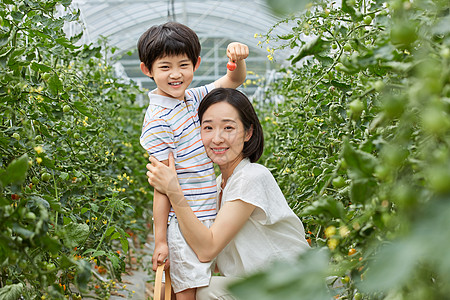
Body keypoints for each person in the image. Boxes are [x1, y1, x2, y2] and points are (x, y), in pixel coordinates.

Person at [146, 88, 310, 299]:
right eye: (208, 127)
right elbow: (202, 257)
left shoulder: (251, 177)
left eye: (228, 128)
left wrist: (173, 190)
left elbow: (207, 249)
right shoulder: (217, 188)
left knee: (205, 292)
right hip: (262, 288)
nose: (217, 138)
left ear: (248, 133)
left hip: (292, 289)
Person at [138, 22, 249, 300]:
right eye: (165, 67)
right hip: (183, 222)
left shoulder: (195, 97)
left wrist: (237, 61)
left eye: (183, 65)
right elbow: (162, 184)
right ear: (147, 70)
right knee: (189, 294)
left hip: (202, 218)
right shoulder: (157, 120)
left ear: (196, 64)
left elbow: (234, 81)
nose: (176, 74)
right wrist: (161, 240)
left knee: (190, 289)